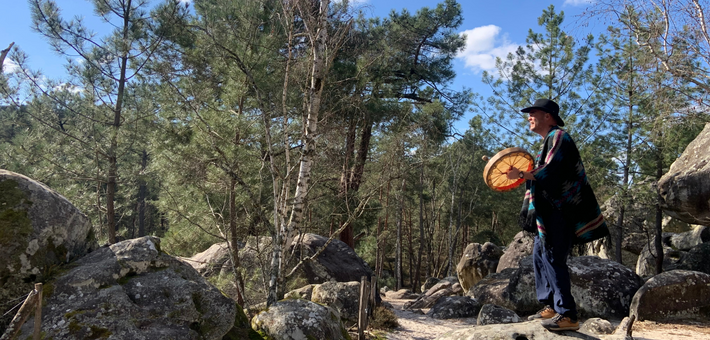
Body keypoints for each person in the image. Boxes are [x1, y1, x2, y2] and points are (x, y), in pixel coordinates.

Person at [505, 98, 609, 332]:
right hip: (549, 212)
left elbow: (550, 171)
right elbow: (544, 173)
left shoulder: (560, 137)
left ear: (547, 116)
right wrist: (523, 174)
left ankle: (567, 314)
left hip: (561, 211)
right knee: (540, 257)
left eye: (533, 113)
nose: (529, 117)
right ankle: (551, 306)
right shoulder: (548, 142)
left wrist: (521, 174)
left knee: (553, 258)